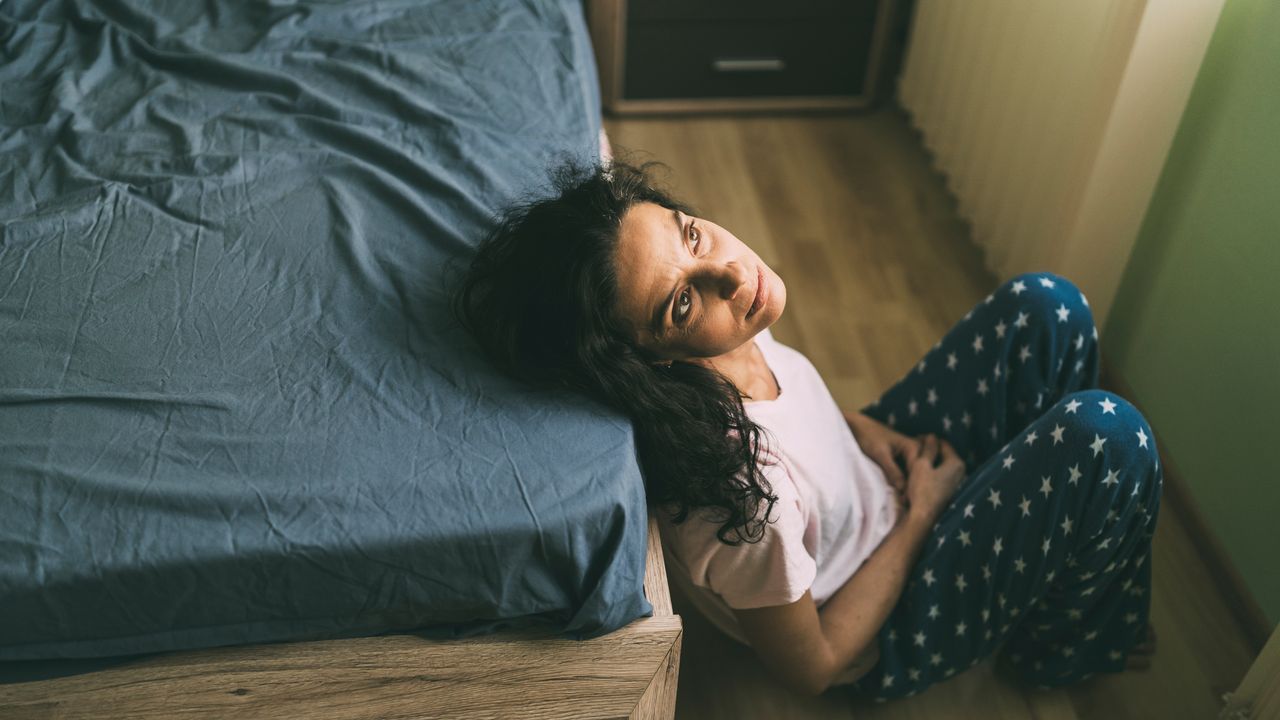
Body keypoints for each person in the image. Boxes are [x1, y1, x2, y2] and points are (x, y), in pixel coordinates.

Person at [453, 159, 1162, 702]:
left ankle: (1049, 548)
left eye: (691, 234)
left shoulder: (726, 338)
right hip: (885, 614)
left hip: (876, 483)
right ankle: (1061, 649)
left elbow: (790, 415)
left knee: (1048, 306)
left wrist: (859, 431)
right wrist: (924, 513)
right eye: (681, 303)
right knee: (1110, 437)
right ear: (651, 360)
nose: (732, 275)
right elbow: (812, 668)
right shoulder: (738, 496)